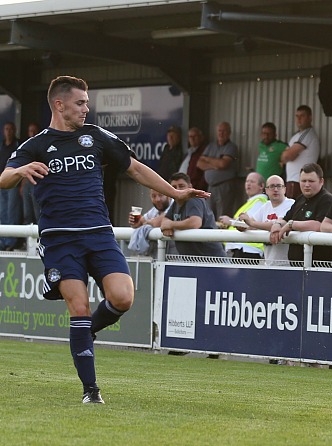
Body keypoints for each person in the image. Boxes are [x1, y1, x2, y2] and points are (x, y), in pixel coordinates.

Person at [0, 75, 209, 404]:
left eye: (87, 103)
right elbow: (4, 178)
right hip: (60, 240)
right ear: (59, 105)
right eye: (80, 103)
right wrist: (20, 172)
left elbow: (135, 168)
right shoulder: (36, 145)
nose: (87, 108)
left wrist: (176, 193)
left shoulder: (96, 137)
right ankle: (91, 390)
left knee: (123, 297)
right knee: (79, 306)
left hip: (98, 234)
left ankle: (87, 332)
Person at [270, 163, 332, 263]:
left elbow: (319, 225)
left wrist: (292, 225)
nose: (306, 185)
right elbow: (285, 219)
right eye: (303, 181)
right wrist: (277, 224)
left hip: (322, 267)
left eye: (311, 181)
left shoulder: (327, 200)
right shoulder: (300, 199)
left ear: (321, 181)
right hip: (297, 266)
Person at [161, 172, 226, 258]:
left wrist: (171, 225)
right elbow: (165, 221)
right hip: (192, 260)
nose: (178, 189)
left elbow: (195, 223)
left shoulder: (194, 199)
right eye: (174, 187)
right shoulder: (176, 203)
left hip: (211, 260)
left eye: (181, 186)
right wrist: (167, 226)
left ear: (190, 187)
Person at [238, 175, 294, 265]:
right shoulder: (266, 206)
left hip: (288, 265)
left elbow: (277, 224)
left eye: (279, 186)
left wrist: (251, 223)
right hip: (269, 262)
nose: (275, 189)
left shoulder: (291, 204)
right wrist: (243, 226)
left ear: (284, 189)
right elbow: (251, 224)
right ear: (266, 190)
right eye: (272, 186)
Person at [219, 172, 268, 260]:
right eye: (247, 181)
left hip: (247, 250)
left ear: (261, 186)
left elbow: (251, 224)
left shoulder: (259, 202)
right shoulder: (251, 202)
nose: (248, 184)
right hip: (241, 248)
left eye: (252, 182)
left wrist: (230, 221)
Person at [197, 121, 240, 217]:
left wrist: (207, 159)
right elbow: (199, 163)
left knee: (223, 216)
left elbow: (223, 163)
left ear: (229, 133)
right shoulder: (211, 146)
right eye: (219, 131)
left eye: (224, 131)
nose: (221, 133)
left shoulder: (231, 147)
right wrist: (214, 165)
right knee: (209, 216)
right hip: (211, 187)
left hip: (224, 187)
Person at [281, 105, 320, 199]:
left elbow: (287, 156)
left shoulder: (307, 134)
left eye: (302, 116)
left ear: (310, 118)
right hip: (292, 180)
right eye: (297, 116)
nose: (299, 119)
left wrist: (286, 155)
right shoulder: (297, 136)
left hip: (299, 181)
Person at [127, 189, 174, 256]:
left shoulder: (175, 205)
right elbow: (141, 221)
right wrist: (135, 223)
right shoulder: (155, 210)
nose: (157, 199)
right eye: (153, 196)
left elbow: (158, 222)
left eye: (161, 195)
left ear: (168, 195)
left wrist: (147, 223)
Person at [0, 122, 22, 250]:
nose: (8, 131)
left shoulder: (18, 145)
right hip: (1, 183)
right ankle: (2, 242)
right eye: (6, 129)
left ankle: (10, 242)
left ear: (14, 131)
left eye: (10, 129)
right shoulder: (1, 146)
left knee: (12, 212)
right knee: (2, 213)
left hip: (13, 183)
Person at [21, 121, 41, 225]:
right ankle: (27, 240)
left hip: (37, 183)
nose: (32, 133)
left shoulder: (42, 145)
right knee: (27, 213)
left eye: (34, 131)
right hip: (26, 183)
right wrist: (22, 185)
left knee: (37, 213)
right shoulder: (25, 147)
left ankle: (40, 240)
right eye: (30, 131)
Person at [179, 127, 208, 191]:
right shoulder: (188, 152)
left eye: (195, 136)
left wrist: (198, 187)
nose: (192, 139)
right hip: (183, 188)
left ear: (201, 137)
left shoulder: (205, 151)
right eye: (190, 137)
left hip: (195, 188)